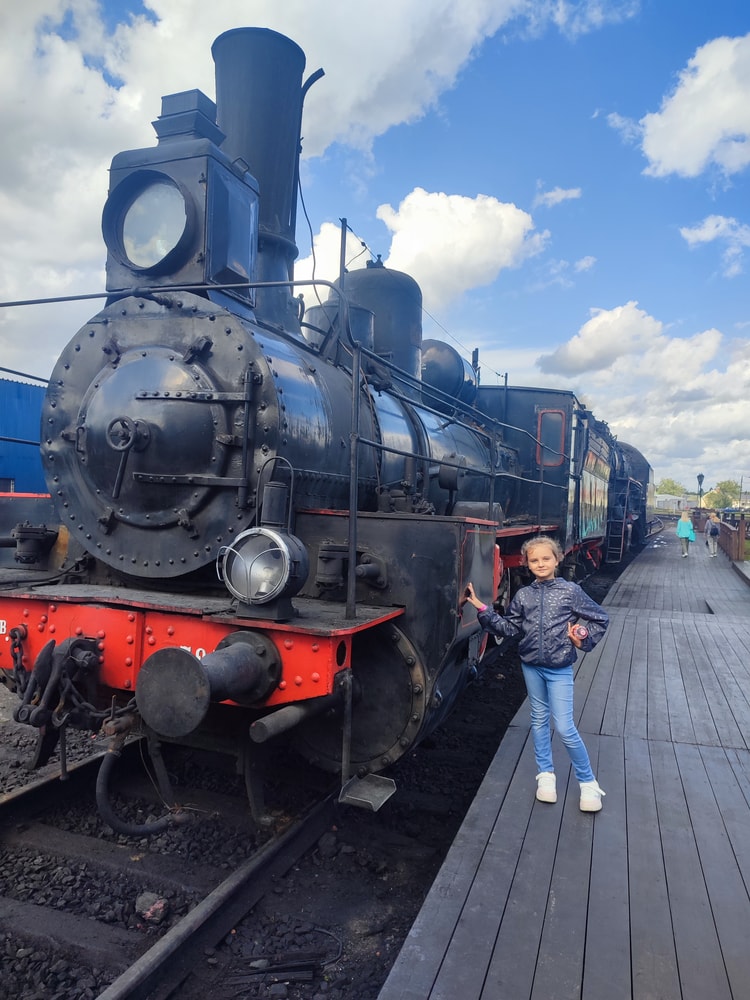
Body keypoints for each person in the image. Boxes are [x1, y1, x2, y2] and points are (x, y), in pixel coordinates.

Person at [464, 535, 609, 812]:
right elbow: (510, 628)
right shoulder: (524, 595)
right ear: (527, 564)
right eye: (534, 560)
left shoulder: (570, 591)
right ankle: (546, 776)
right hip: (531, 666)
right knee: (539, 721)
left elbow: (600, 618)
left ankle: (588, 783)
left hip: (559, 669)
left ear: (557, 559)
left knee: (565, 727)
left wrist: (582, 638)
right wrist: (482, 608)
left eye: (545, 558)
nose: (540, 564)